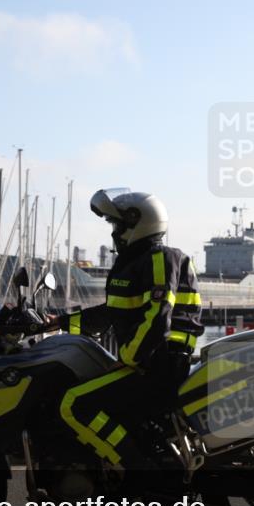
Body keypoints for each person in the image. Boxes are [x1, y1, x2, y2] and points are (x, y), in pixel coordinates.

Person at [58, 188, 203, 475]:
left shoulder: (159, 258)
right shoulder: (139, 261)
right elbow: (110, 315)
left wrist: (129, 358)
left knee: (74, 404)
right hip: (153, 361)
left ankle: (138, 471)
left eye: (118, 225)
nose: (114, 233)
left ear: (138, 223)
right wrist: (58, 323)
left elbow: (157, 319)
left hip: (160, 364)